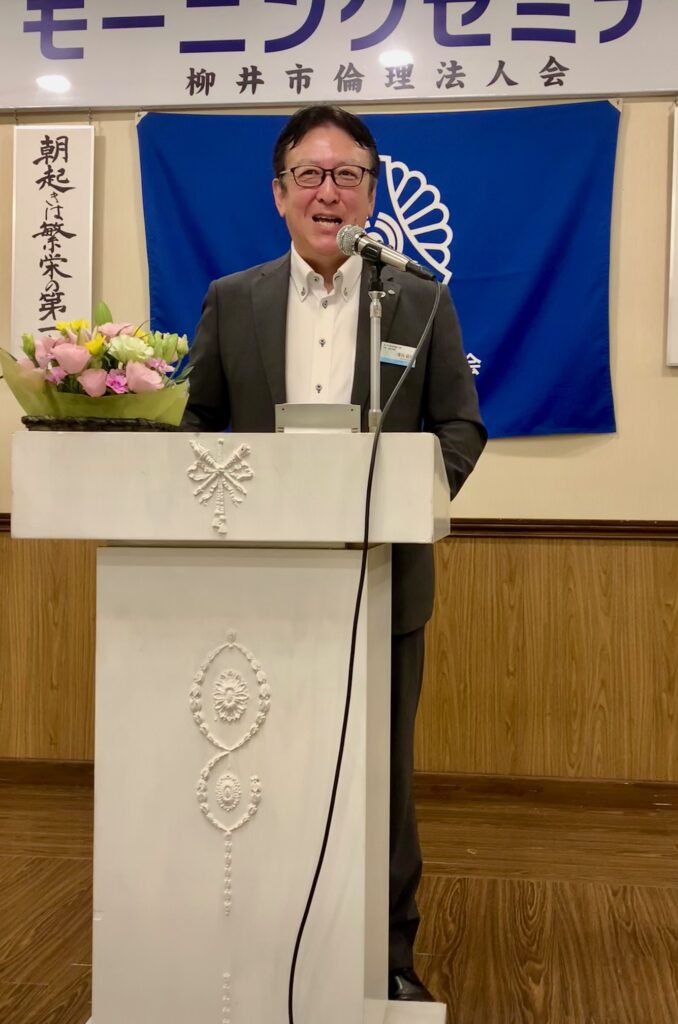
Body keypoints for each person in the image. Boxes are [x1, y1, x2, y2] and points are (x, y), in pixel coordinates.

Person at [182, 104, 486, 1002]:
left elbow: (460, 429)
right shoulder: (233, 299)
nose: (328, 192)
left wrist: (405, 502)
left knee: (382, 778)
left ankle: (387, 956)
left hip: (384, 584)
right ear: (279, 194)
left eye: (347, 175)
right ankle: (267, 936)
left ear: (372, 193)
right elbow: (197, 424)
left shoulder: (420, 299)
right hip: (263, 586)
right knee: (265, 767)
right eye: (309, 175)